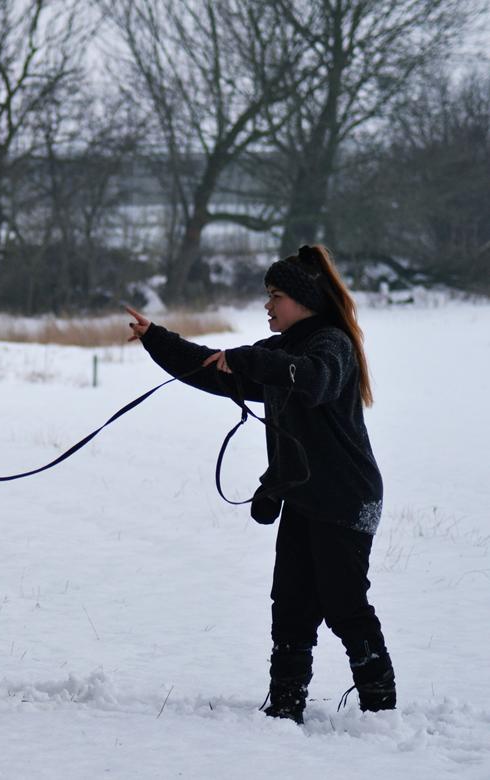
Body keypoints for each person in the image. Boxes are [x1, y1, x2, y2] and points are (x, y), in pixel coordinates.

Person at [125, 244, 395, 724]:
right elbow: (211, 368)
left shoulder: (331, 344)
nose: (267, 305)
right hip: (305, 496)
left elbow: (313, 380)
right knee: (290, 605)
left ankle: (381, 712)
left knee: (344, 606)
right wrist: (155, 338)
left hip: (346, 497)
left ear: (303, 300)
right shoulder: (282, 350)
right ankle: (285, 707)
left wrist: (249, 360)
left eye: (275, 296)